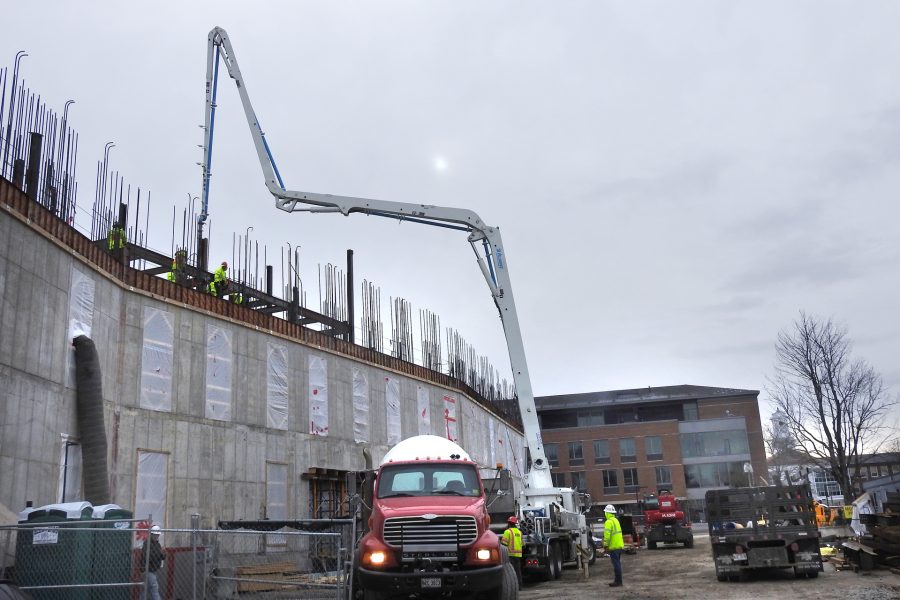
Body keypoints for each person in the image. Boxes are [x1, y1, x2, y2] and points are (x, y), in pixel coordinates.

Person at [139, 525, 165, 600]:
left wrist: (163, 553)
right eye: (155, 535)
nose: (157, 536)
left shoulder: (157, 544)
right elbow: (149, 556)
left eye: (157, 535)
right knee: (154, 587)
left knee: (145, 589)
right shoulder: (147, 543)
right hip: (148, 569)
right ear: (151, 534)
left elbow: (162, 557)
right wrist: (160, 553)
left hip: (154, 569)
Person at [601, 504, 624, 587]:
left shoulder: (608, 522)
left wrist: (605, 545)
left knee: (616, 564)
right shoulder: (616, 520)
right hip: (619, 545)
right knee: (618, 564)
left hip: (613, 546)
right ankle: (618, 581)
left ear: (607, 513)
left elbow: (607, 535)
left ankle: (618, 582)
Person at [500, 515, 523, 589]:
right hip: (518, 555)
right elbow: (522, 543)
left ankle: (513, 587)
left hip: (510, 555)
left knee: (510, 573)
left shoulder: (507, 532)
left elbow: (504, 544)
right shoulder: (519, 532)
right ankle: (520, 586)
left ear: (509, 523)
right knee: (518, 571)